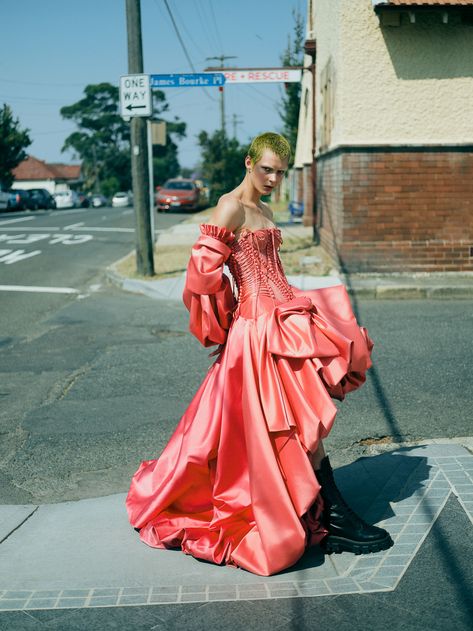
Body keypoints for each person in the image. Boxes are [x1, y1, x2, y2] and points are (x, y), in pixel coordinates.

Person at [126, 132, 393, 576]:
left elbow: (275, 271)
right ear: (249, 162)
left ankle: (325, 512)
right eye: (267, 168)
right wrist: (231, 316)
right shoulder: (229, 207)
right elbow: (202, 278)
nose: (273, 178)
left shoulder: (266, 210)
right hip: (256, 331)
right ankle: (332, 516)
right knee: (287, 425)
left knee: (298, 422)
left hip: (284, 320)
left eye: (280, 172)